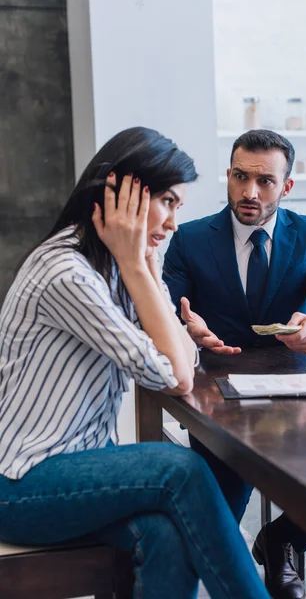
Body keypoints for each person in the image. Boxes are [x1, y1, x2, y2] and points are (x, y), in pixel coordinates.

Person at [0, 127, 271, 599]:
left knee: (165, 535)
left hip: (78, 465)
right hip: (20, 484)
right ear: (118, 192)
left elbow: (182, 354)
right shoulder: (67, 272)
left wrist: (139, 267)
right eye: (166, 201)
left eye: (177, 207)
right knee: (182, 469)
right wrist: (137, 267)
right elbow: (174, 374)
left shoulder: (117, 266)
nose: (171, 223)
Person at [163, 129, 306, 599]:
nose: (250, 192)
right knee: (214, 527)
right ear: (228, 176)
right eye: (240, 176)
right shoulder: (189, 239)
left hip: (298, 403)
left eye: (265, 181)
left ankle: (284, 540)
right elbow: (162, 315)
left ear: (286, 187)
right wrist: (185, 331)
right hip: (217, 403)